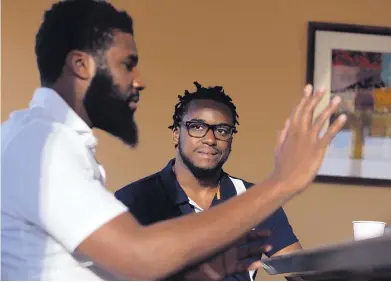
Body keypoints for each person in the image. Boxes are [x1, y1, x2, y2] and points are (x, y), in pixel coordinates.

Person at [1, 0, 346, 280]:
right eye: (127, 64)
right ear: (81, 66)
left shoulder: (49, 144)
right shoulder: (42, 149)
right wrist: (282, 181)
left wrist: (200, 274)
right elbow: (139, 257)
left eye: (221, 130)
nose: (139, 81)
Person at [115, 82, 302, 280]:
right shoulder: (132, 201)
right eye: (197, 127)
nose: (211, 139)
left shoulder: (257, 202)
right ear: (176, 134)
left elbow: (300, 272)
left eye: (222, 130)